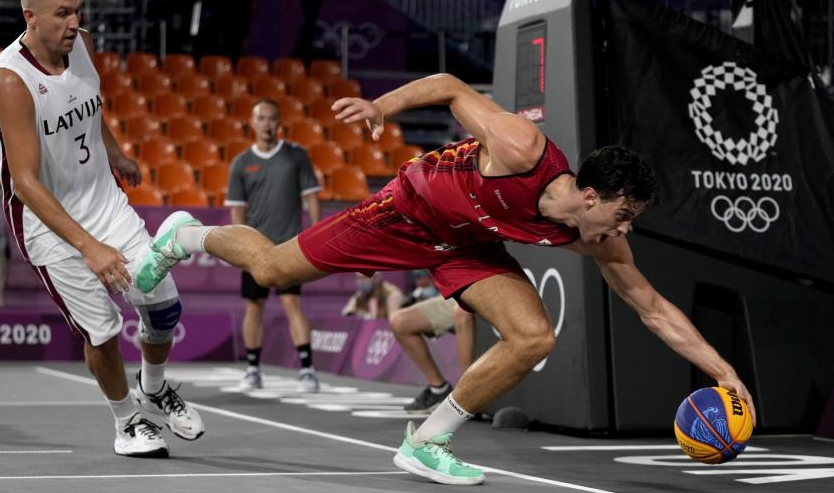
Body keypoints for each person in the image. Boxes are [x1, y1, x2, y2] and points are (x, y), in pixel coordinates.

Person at [135, 72, 757, 484]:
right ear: (590, 195)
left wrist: (725, 375)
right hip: (405, 212)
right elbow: (449, 84)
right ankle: (184, 237)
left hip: (465, 242)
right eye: (622, 216)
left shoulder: (597, 239)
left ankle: (427, 441)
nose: (624, 231)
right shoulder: (522, 149)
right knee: (271, 268)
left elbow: (652, 307)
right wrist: (381, 106)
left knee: (533, 336)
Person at [0, 0, 204, 458]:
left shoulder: (78, 43)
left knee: (163, 308)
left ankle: (154, 386)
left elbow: (89, 104)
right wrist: (88, 247)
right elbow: (24, 183)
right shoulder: (10, 80)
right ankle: (128, 423)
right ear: (31, 16)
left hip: (104, 201)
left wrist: (116, 151)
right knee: (102, 332)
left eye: (77, 10)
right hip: (49, 224)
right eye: (62, 13)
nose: (74, 21)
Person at [225, 99, 323, 392]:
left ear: (279, 123)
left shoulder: (296, 157)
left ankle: (307, 370)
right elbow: (237, 210)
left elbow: (312, 197)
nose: (267, 124)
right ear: (252, 123)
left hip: (289, 246)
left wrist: (316, 232)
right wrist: (238, 246)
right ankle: (253, 369)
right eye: (261, 119)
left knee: (292, 304)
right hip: (254, 250)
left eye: (271, 119)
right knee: (254, 307)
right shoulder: (241, 163)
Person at [390, 296, 475, 413]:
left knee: (462, 312)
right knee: (399, 321)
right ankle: (439, 390)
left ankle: (470, 392)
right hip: (461, 292)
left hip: (490, 289)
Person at [340, 272, 404, 319]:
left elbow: (393, 324)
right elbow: (346, 313)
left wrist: (373, 316)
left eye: (364, 277)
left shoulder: (393, 295)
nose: (360, 281)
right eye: (358, 278)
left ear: (376, 278)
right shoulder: (360, 294)